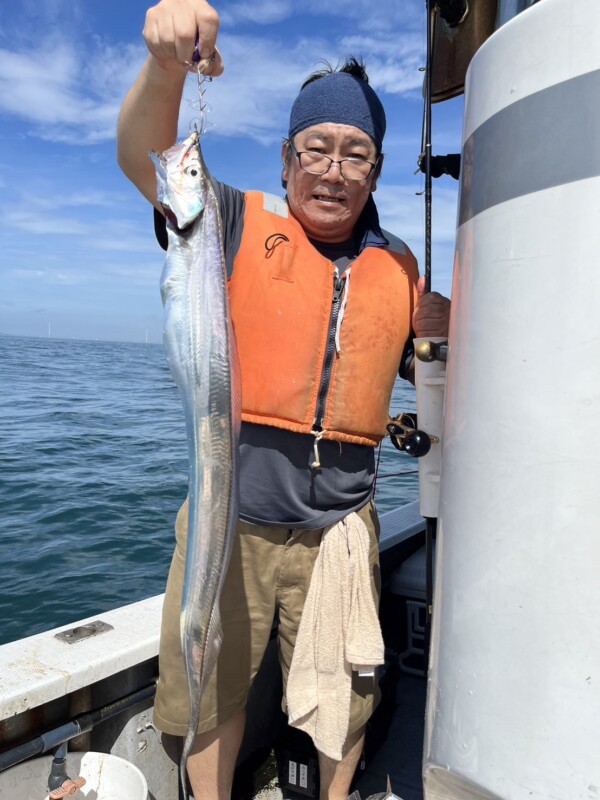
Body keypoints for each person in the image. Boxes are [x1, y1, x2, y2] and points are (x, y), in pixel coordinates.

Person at [117, 2, 451, 798]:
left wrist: (444, 330)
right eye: (318, 149)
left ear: (374, 172)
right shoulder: (223, 220)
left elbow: (420, 373)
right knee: (214, 684)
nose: (335, 169)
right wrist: (167, 66)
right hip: (231, 518)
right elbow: (146, 156)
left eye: (357, 154)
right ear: (285, 158)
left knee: (347, 697)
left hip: (340, 527)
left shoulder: (397, 268)